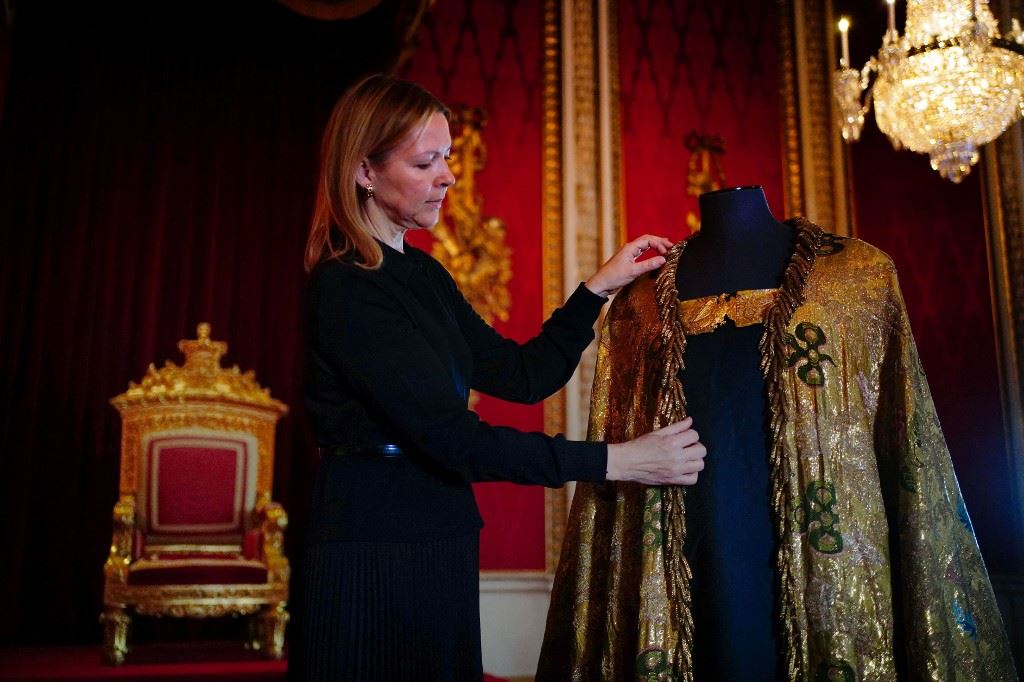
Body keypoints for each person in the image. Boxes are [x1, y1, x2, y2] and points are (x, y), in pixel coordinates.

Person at [293, 73, 708, 681]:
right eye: (426, 162)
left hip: (442, 532)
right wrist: (618, 461)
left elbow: (523, 374)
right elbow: (455, 440)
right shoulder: (346, 288)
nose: (448, 177)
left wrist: (598, 288)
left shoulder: (425, 276)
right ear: (364, 171)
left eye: (447, 157)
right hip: (370, 547)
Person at [537, 186, 1016, 680]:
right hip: (688, 546)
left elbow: (904, 432)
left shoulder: (858, 274)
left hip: (827, 549)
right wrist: (594, 290)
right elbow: (588, 411)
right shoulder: (639, 301)